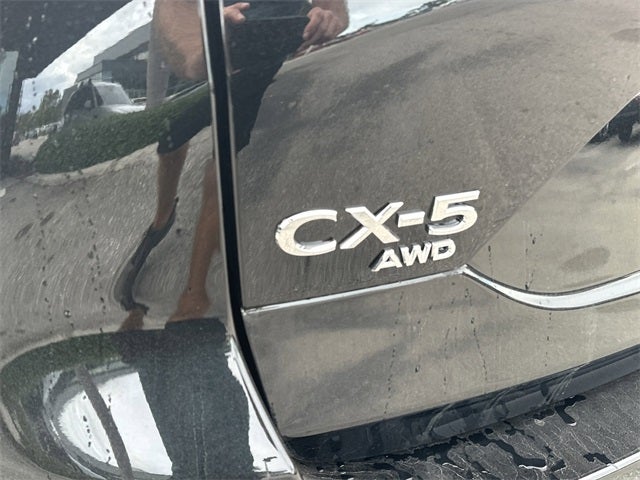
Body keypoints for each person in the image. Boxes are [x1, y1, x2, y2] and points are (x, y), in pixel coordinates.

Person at [116, 0, 349, 322]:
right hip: (212, 63)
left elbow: (335, 12)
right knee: (170, 142)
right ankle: (162, 217)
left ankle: (195, 294)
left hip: (259, 69)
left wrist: (328, 20)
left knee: (220, 169)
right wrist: (210, 41)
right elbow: (184, 48)